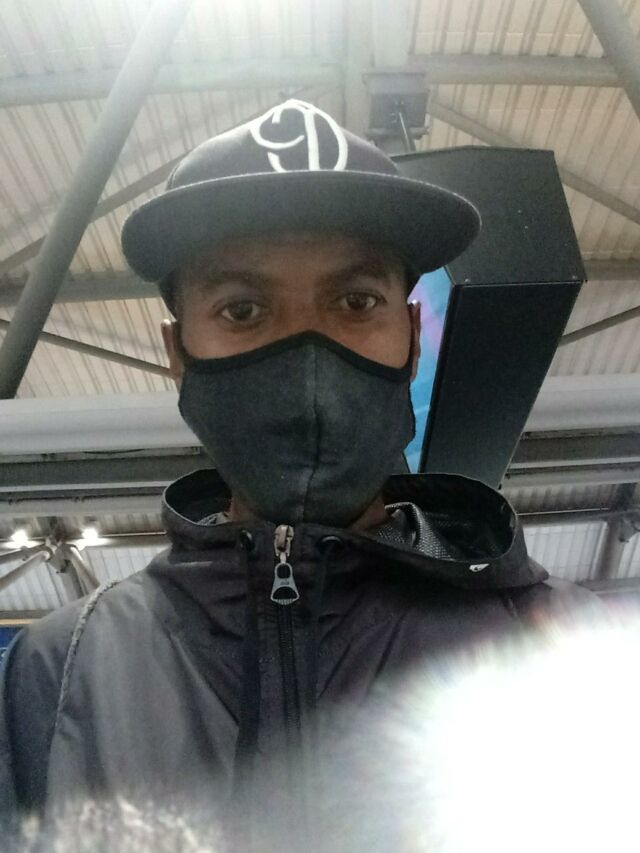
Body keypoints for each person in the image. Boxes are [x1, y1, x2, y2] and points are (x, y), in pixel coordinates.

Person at [0, 99, 597, 849]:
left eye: (356, 301)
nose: (308, 356)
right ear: (178, 354)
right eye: (243, 309)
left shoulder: (570, 654)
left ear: (411, 336)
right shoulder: (61, 672)